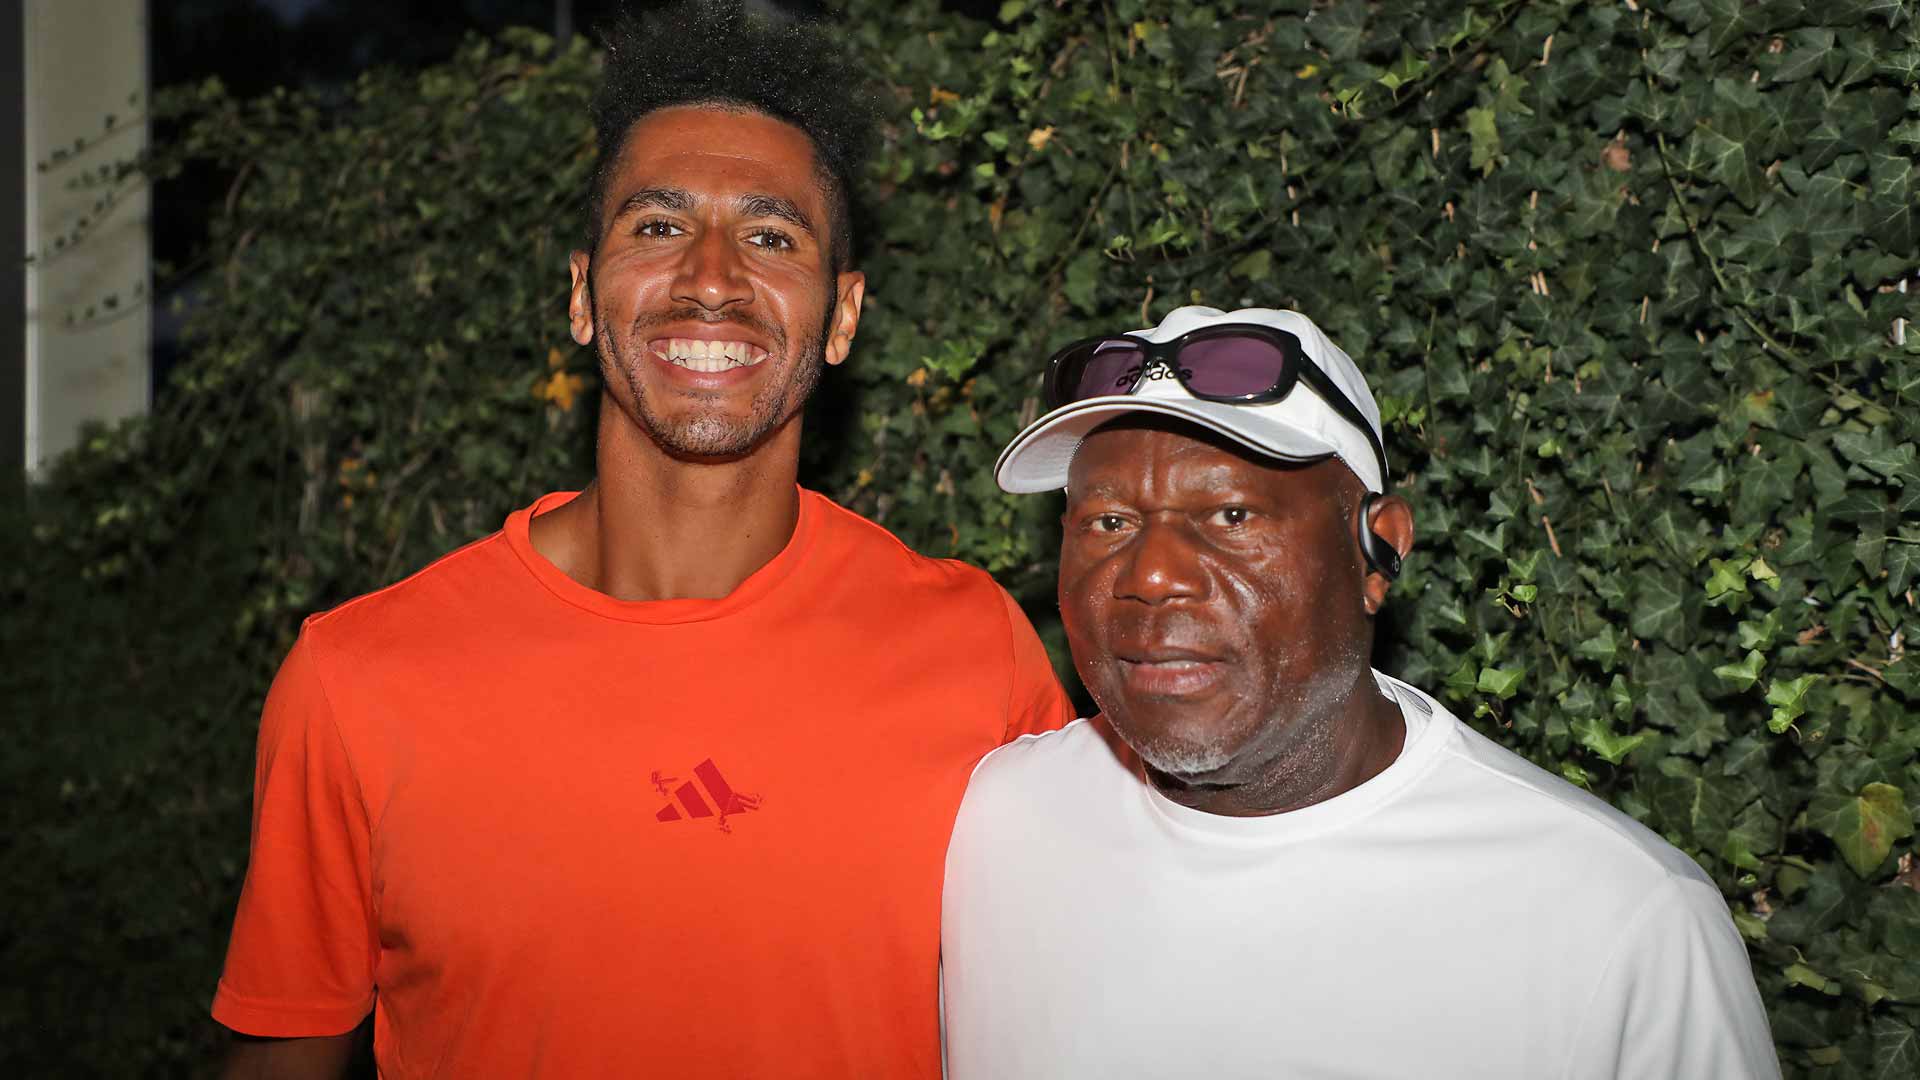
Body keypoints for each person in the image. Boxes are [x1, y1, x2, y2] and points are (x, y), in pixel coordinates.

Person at [211, 4, 1072, 1077]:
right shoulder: (356, 682)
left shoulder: (975, 656)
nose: (711, 278)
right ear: (582, 292)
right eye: (658, 227)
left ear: (843, 316)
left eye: (771, 235)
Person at [940, 305, 1780, 1078]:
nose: (1152, 575)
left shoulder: (1620, 917)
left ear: (1378, 552)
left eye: (1231, 515)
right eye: (1108, 522)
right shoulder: (989, 826)